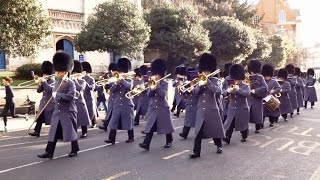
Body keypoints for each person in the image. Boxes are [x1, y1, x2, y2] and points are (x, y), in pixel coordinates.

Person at [37, 51, 79, 159]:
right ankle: (49, 152)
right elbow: (51, 91)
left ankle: (75, 149)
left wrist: (58, 95)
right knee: (53, 133)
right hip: (57, 111)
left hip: (67, 111)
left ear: (65, 72)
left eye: (60, 72)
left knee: (70, 131)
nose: (58, 73)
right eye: (57, 71)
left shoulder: (71, 83)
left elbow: (71, 97)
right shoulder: (56, 82)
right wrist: (43, 83)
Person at [189, 53, 225, 159]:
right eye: (203, 71)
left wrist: (207, 82)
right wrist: (200, 86)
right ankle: (196, 152)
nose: (204, 73)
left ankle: (219, 145)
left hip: (212, 109)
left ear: (211, 71)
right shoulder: (200, 81)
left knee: (215, 130)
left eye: (206, 71)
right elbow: (195, 93)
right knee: (198, 132)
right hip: (201, 110)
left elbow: (219, 92)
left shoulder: (216, 81)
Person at [139, 59, 174, 151]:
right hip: (154, 107)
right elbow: (148, 95)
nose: (155, 76)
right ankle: (146, 143)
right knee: (150, 126)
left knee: (166, 126)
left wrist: (157, 86)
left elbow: (162, 95)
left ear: (160, 74)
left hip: (163, 107)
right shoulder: (152, 83)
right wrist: (152, 88)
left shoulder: (165, 83)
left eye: (156, 74)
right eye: (154, 74)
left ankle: (169, 140)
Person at [104, 58, 134, 144]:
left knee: (128, 121)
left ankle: (131, 137)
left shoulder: (129, 79)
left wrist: (122, 80)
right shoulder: (116, 80)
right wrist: (116, 83)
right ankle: (111, 138)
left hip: (126, 103)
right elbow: (112, 90)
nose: (120, 73)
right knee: (114, 121)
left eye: (122, 72)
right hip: (117, 103)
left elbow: (129, 87)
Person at [223, 64, 250, 144]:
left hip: (242, 108)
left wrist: (239, 89)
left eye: (237, 79)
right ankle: (227, 137)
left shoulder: (245, 86)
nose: (235, 81)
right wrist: (227, 91)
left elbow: (246, 94)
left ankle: (244, 135)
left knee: (242, 125)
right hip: (232, 107)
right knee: (230, 124)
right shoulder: (230, 83)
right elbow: (223, 91)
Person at [29, 61, 55, 137]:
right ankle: (36, 131)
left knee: (53, 120)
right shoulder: (45, 81)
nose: (44, 75)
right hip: (44, 103)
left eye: (45, 74)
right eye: (44, 74)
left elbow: (51, 90)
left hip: (50, 104)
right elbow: (38, 91)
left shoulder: (53, 81)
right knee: (40, 117)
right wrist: (41, 83)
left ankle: (57, 132)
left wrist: (44, 82)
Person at [247, 60, 268, 133]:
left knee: (257, 115)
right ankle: (244, 131)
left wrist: (255, 90)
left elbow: (265, 87)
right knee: (246, 115)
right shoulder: (246, 76)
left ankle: (257, 127)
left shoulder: (260, 77)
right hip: (248, 98)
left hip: (257, 98)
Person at [72, 60, 91, 138]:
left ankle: (84, 132)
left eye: (75, 73)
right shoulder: (70, 80)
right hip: (72, 102)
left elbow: (80, 88)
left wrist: (75, 80)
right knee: (73, 119)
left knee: (83, 118)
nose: (73, 74)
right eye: (73, 73)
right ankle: (73, 133)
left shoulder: (83, 81)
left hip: (80, 101)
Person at [179, 67, 199, 139]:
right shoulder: (187, 82)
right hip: (189, 102)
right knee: (187, 118)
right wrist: (184, 91)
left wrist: (192, 88)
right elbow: (182, 92)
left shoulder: (199, 82)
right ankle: (185, 133)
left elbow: (197, 92)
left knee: (198, 119)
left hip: (197, 102)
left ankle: (200, 133)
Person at [99, 62, 117, 131]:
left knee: (113, 114)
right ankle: (106, 125)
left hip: (117, 98)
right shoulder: (111, 77)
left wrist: (112, 81)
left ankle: (106, 125)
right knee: (110, 113)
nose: (111, 72)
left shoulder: (117, 77)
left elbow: (114, 88)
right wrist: (107, 80)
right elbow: (107, 87)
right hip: (112, 98)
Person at [81, 62, 97, 128]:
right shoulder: (80, 78)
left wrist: (86, 83)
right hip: (82, 97)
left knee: (91, 111)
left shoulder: (91, 79)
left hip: (89, 98)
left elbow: (92, 88)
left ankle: (94, 121)